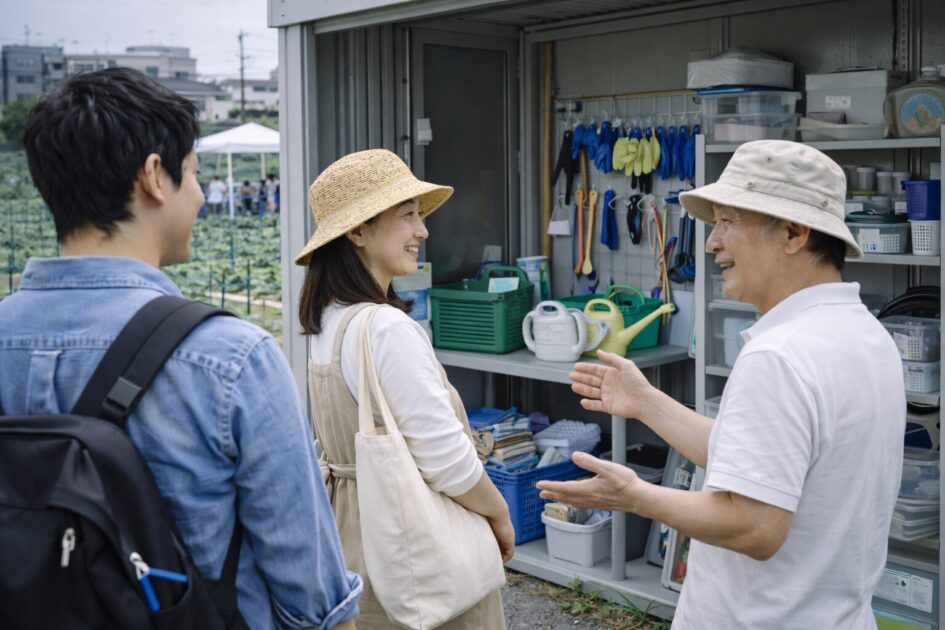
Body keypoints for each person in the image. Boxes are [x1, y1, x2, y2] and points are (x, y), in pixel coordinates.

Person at [4, 67, 362, 629]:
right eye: (192, 174)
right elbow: (312, 596)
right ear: (154, 177)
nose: (198, 195)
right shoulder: (230, 357)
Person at [538, 140, 905, 629]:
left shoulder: (780, 354)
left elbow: (755, 526)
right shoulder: (866, 334)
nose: (712, 242)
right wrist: (647, 402)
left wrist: (633, 496)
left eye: (729, 222)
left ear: (794, 232)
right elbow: (764, 464)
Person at [296, 149, 512, 629]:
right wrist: (499, 515)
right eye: (408, 215)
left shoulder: (325, 324)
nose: (423, 231)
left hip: (352, 535)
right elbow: (448, 462)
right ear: (357, 231)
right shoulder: (385, 328)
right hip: (413, 541)